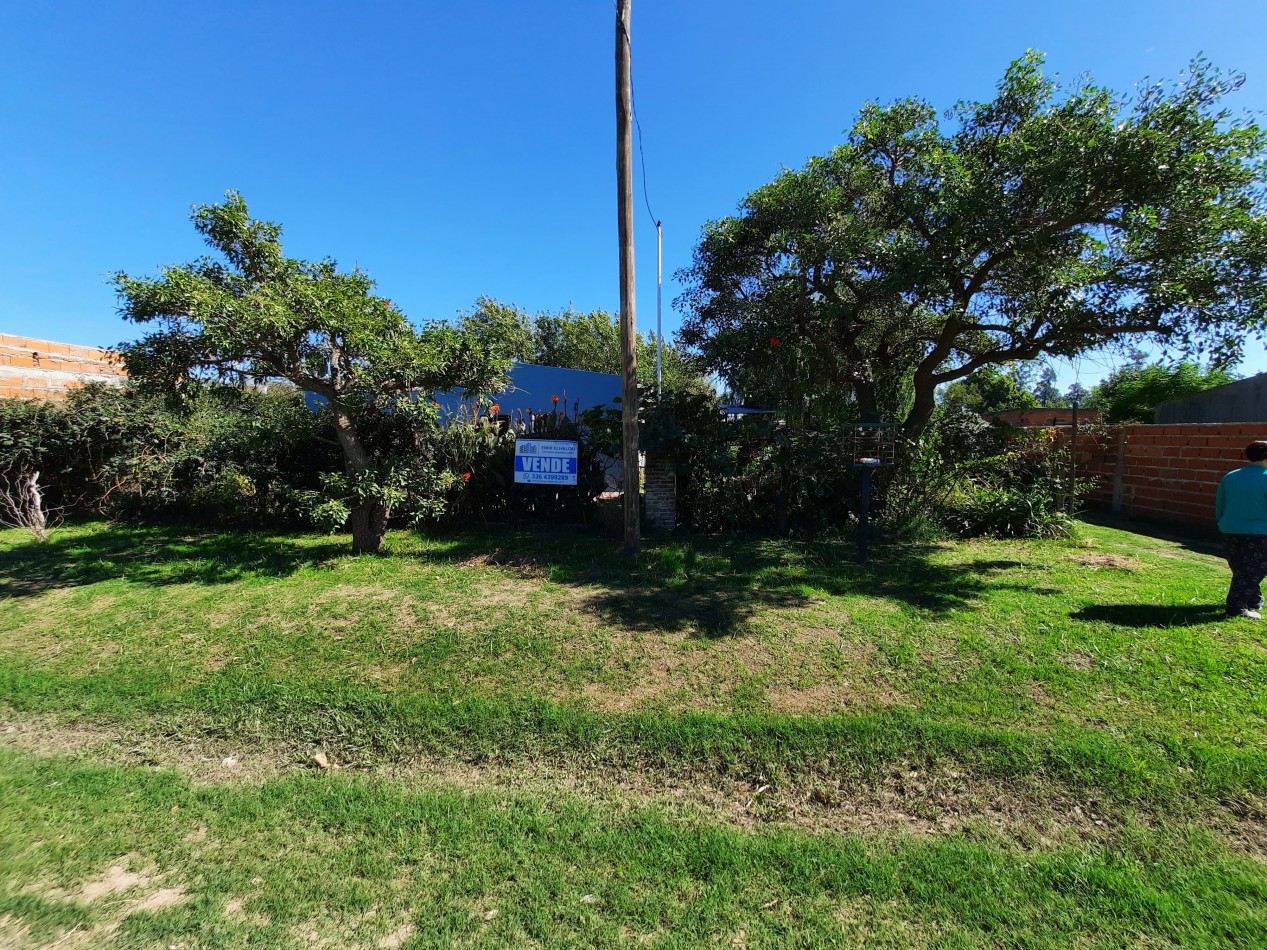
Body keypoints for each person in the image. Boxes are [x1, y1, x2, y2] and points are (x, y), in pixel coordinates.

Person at [1216, 440, 1267, 619]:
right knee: (1251, 570)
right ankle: (1236, 608)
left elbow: (1220, 504)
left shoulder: (1230, 476)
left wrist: (1222, 522)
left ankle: (1254, 599)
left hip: (1229, 529)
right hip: (1260, 533)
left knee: (1242, 568)